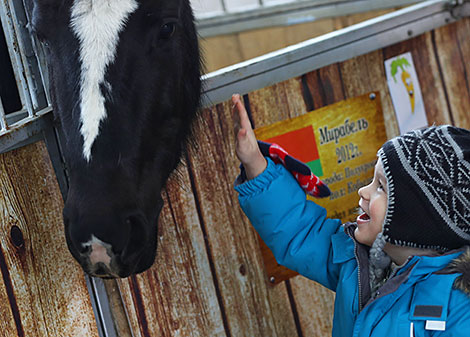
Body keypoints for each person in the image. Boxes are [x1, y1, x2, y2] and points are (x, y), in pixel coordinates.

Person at [232, 93, 470, 337]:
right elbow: (301, 232)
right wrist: (255, 163)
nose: (363, 191)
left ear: (415, 220)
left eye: (381, 187)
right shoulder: (358, 261)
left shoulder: (459, 312)